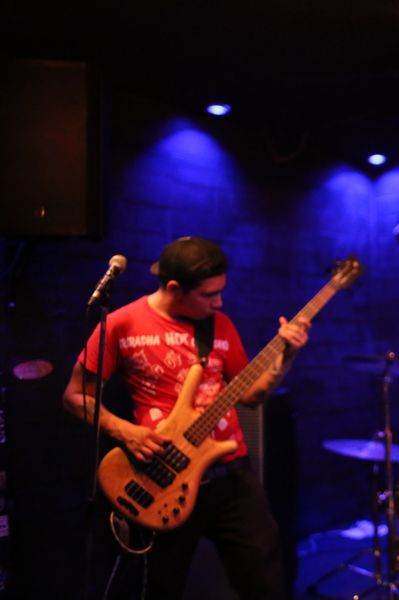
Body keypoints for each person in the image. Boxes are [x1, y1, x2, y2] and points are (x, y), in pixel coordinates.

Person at [63, 236, 310, 599]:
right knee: (159, 588)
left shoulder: (219, 324)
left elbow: (250, 395)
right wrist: (126, 431)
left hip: (230, 474)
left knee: (267, 582)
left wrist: (285, 358)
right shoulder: (121, 324)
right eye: (209, 294)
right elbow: (74, 396)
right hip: (163, 479)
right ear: (174, 288)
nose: (219, 302)